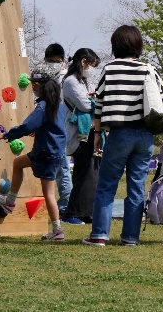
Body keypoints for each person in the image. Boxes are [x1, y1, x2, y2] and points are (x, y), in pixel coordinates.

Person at [83, 25, 163, 247]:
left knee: (107, 184)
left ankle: (99, 235)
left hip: (119, 133)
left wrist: (97, 132)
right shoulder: (149, 69)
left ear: (116, 46)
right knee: (136, 186)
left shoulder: (110, 70)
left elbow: (100, 104)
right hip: (144, 136)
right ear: (138, 45)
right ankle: (130, 237)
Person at [0, 76, 68, 239]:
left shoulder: (42, 106)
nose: (32, 87)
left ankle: (57, 231)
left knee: (49, 194)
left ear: (39, 87)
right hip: (56, 152)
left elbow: (26, 126)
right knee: (18, 163)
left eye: (34, 85)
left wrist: (6, 135)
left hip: (45, 153)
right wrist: (39, 130)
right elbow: (53, 126)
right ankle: (9, 202)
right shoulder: (59, 106)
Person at [62, 48, 101, 224]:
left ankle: (88, 212)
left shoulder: (86, 82)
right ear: (83, 62)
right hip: (80, 134)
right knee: (83, 173)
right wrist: (96, 100)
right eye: (91, 65)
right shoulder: (70, 82)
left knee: (93, 173)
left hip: (92, 132)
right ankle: (73, 212)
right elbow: (86, 104)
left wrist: (96, 99)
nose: (92, 69)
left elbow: (95, 99)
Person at [43, 43, 73, 222]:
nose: (53, 64)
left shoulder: (63, 78)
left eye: (56, 61)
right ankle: (60, 205)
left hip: (60, 128)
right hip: (53, 127)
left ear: (62, 60)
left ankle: (65, 206)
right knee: (58, 168)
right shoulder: (49, 76)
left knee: (62, 168)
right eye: (50, 61)